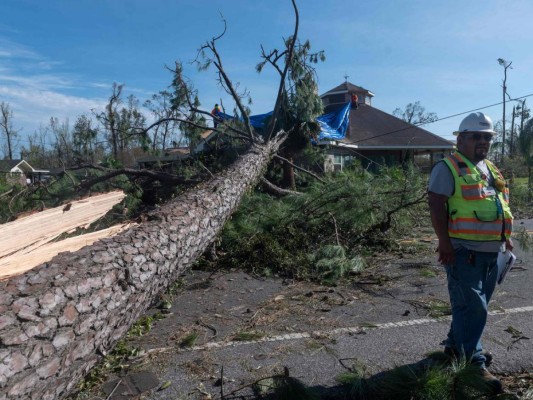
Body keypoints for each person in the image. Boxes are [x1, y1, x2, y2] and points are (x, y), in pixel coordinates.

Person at [428, 112, 513, 393]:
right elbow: (436, 203)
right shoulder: (448, 167)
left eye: (487, 137)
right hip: (463, 252)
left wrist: (506, 239)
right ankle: (473, 365)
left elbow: (498, 205)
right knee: (475, 307)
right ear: (460, 138)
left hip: (492, 253)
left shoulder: (490, 168)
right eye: (476, 136)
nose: (482, 141)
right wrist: (444, 242)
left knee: (472, 306)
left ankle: (455, 347)